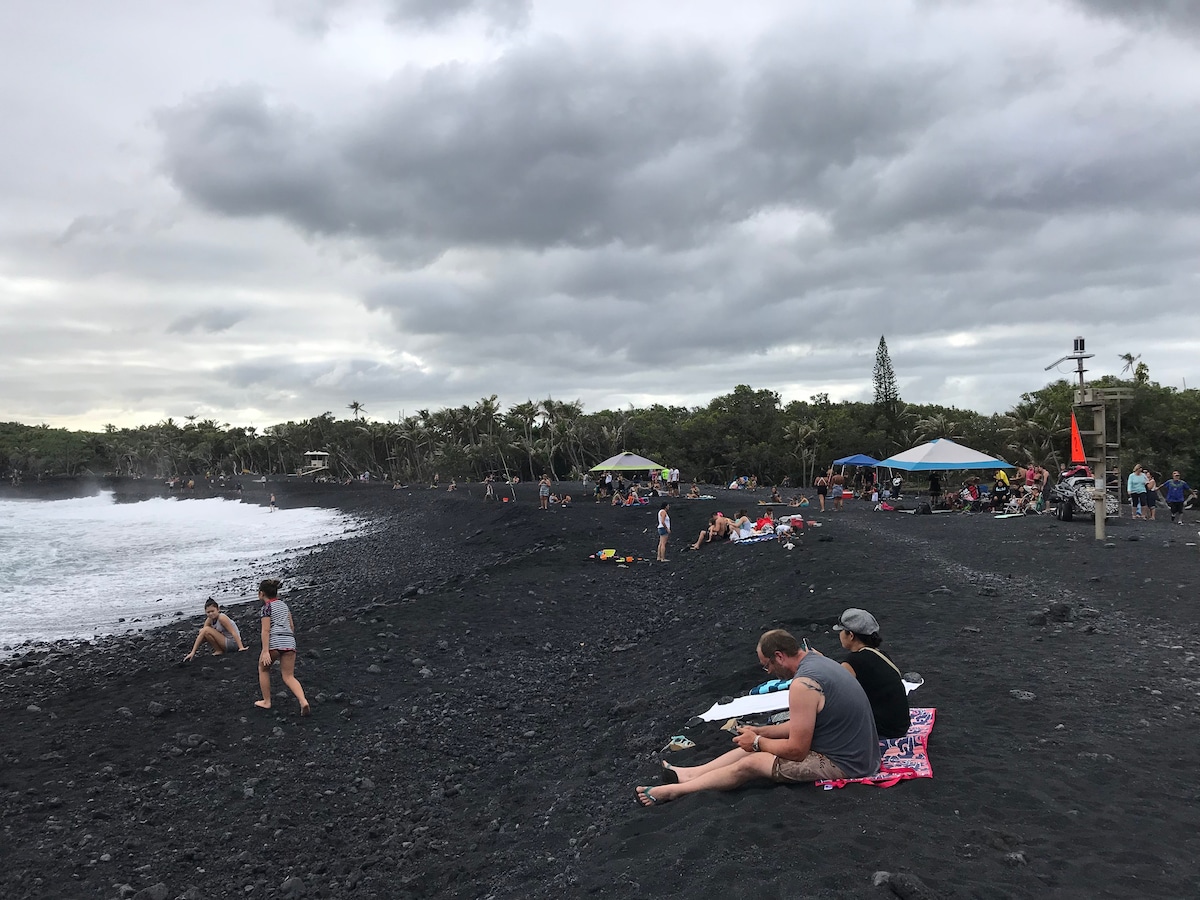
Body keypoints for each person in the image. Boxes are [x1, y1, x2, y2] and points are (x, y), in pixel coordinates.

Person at [636, 629, 879, 805]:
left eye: (767, 666)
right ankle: (688, 774)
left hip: (849, 764)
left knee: (751, 762)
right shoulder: (818, 660)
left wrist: (757, 743)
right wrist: (761, 732)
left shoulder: (803, 685)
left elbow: (797, 750)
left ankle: (675, 792)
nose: (769, 672)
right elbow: (804, 724)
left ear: (779, 656)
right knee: (753, 744)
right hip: (858, 751)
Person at [833, 609, 910, 739]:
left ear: (850, 635)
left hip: (884, 730)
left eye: (841, 631)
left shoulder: (853, 661)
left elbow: (833, 689)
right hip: (900, 725)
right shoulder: (880, 654)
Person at [255, 579, 310, 715]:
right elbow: (291, 626)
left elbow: (266, 630)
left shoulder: (266, 608)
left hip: (274, 641)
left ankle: (267, 701)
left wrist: (265, 650)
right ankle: (303, 701)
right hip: (289, 642)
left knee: (263, 669)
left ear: (261, 594)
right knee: (289, 676)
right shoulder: (284, 606)